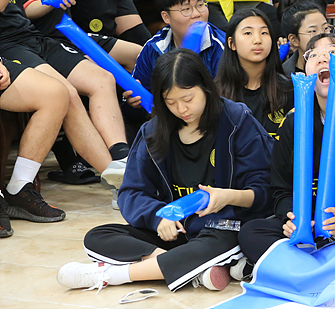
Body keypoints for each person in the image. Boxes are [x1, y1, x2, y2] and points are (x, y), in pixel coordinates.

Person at [57, 49, 274, 292]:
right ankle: (190, 268)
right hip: (175, 232)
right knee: (98, 236)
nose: (182, 109)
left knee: (225, 241)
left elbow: (265, 189)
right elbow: (131, 193)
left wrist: (227, 197)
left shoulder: (236, 121)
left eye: (188, 99)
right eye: (171, 102)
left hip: (222, 228)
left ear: (206, 88)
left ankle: (112, 275)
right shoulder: (153, 132)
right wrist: (158, 216)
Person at [0, 0, 121, 233]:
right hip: (9, 44)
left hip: (29, 36)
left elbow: (26, 3)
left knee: (94, 81)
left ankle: (121, 173)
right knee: (60, 94)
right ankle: (20, 187)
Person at [236, 34, 335, 278]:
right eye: (313, 55)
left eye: (333, 51)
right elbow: (281, 188)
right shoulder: (294, 122)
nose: (322, 58)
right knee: (251, 232)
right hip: (309, 227)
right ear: (305, 71)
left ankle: (305, 271)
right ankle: (330, 270)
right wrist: (292, 218)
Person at [131, 0, 226, 95]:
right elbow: (140, 91)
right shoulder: (153, 47)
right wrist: (135, 101)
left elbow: (228, 98)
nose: (197, 14)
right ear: (166, 17)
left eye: (201, 5)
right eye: (186, 9)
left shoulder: (222, 47)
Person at [216, 8, 292, 137]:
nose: (257, 40)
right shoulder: (216, 95)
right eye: (248, 33)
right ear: (231, 43)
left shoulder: (290, 90)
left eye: (264, 33)